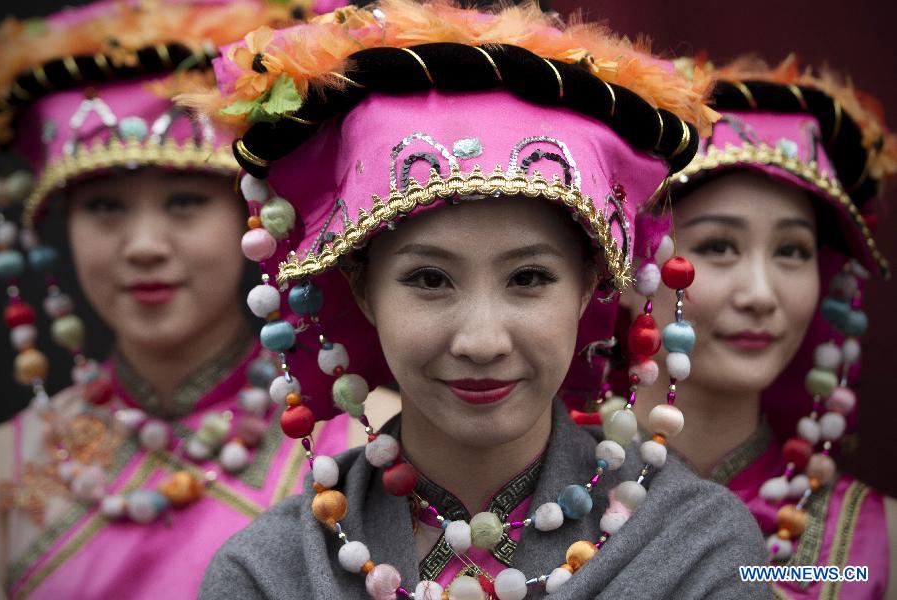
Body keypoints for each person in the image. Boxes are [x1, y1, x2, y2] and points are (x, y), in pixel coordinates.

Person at [189, 2, 771, 597]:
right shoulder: (269, 571)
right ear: (363, 289)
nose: (482, 342)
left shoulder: (696, 547)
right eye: (429, 280)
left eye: (528, 279)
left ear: (591, 282)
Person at [0, 1, 376, 598]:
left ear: (251, 217)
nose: (144, 246)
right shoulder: (13, 462)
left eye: (184, 203)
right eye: (104, 208)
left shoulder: (358, 441)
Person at [624, 56, 897, 598]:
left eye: (792, 252)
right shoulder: (541, 506)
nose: (761, 295)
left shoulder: (876, 541)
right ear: (628, 269)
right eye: (719, 246)